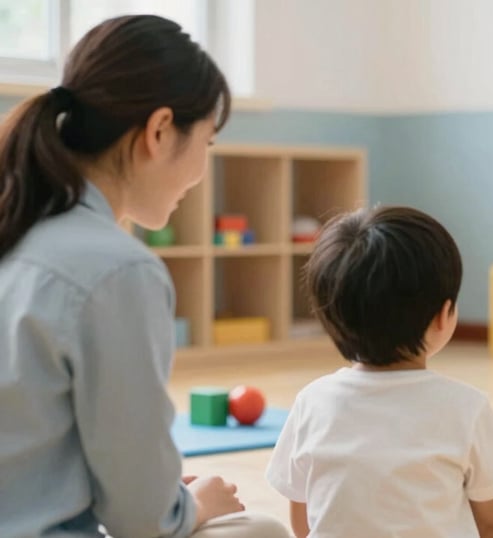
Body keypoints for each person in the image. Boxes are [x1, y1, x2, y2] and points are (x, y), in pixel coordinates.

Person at [0, 14, 290, 538]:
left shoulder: (18, 226)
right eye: (207, 143)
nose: (202, 170)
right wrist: (191, 505)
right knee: (260, 529)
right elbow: (142, 522)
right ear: (159, 131)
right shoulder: (118, 269)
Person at [265, 206, 493, 537]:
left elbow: (302, 517)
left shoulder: (311, 402)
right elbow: (491, 524)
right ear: (443, 316)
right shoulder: (466, 407)